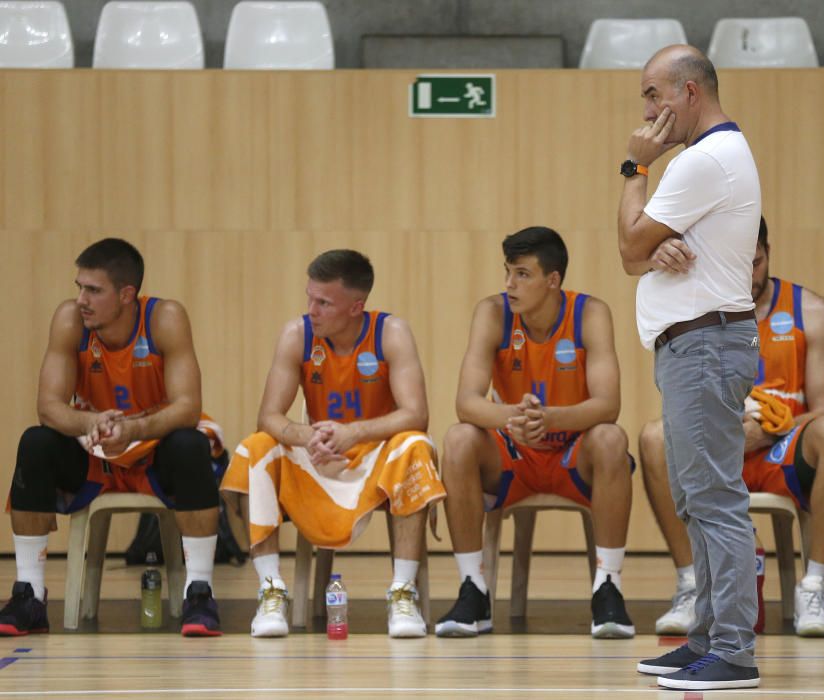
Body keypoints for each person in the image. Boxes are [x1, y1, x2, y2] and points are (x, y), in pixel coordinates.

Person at [617, 45, 762, 690]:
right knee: (697, 499)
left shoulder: (704, 158)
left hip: (706, 346)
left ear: (691, 93)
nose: (648, 111)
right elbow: (638, 255)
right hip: (695, 346)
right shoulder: (708, 159)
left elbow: (626, 243)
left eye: (655, 95)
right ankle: (706, 637)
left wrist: (633, 168)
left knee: (715, 501)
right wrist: (654, 250)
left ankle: (733, 650)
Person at [640, 217, 824, 638]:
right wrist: (724, 433)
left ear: (767, 253)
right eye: (737, 262)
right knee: (653, 436)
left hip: (781, 446)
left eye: (754, 262)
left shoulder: (809, 310)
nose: (748, 273)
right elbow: (680, 402)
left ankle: (814, 587)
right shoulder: (693, 310)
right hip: (717, 448)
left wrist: (771, 430)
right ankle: (691, 584)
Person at [1, 238, 225, 637]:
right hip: (95, 453)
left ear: (126, 295)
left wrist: (134, 428)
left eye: (93, 290)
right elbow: (49, 407)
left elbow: (187, 407)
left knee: (192, 444)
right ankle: (29, 595)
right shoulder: (70, 320)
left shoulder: (164, 318)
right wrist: (88, 424)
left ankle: (200, 592)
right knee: (35, 441)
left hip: (153, 448)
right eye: (79, 287)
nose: (81, 299)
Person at [221, 249, 444, 639]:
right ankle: (271, 590)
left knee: (415, 445)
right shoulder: (297, 335)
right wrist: (308, 437)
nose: (312, 309)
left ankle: (402, 593)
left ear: (357, 306)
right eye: (309, 297)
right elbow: (269, 416)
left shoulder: (391, 333)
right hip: (319, 455)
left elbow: (416, 413)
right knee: (256, 446)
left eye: (323, 302)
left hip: (374, 454)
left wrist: (353, 432)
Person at [435, 226, 635, 640]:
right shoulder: (492, 313)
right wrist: (514, 418)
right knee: (457, 438)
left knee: (612, 438)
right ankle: (473, 589)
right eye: (508, 271)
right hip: (515, 455)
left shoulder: (590, 313)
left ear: (553, 280)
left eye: (522, 274)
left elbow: (607, 404)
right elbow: (466, 402)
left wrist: (550, 420)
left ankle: (608, 587)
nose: (509, 284)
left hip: (572, 455)